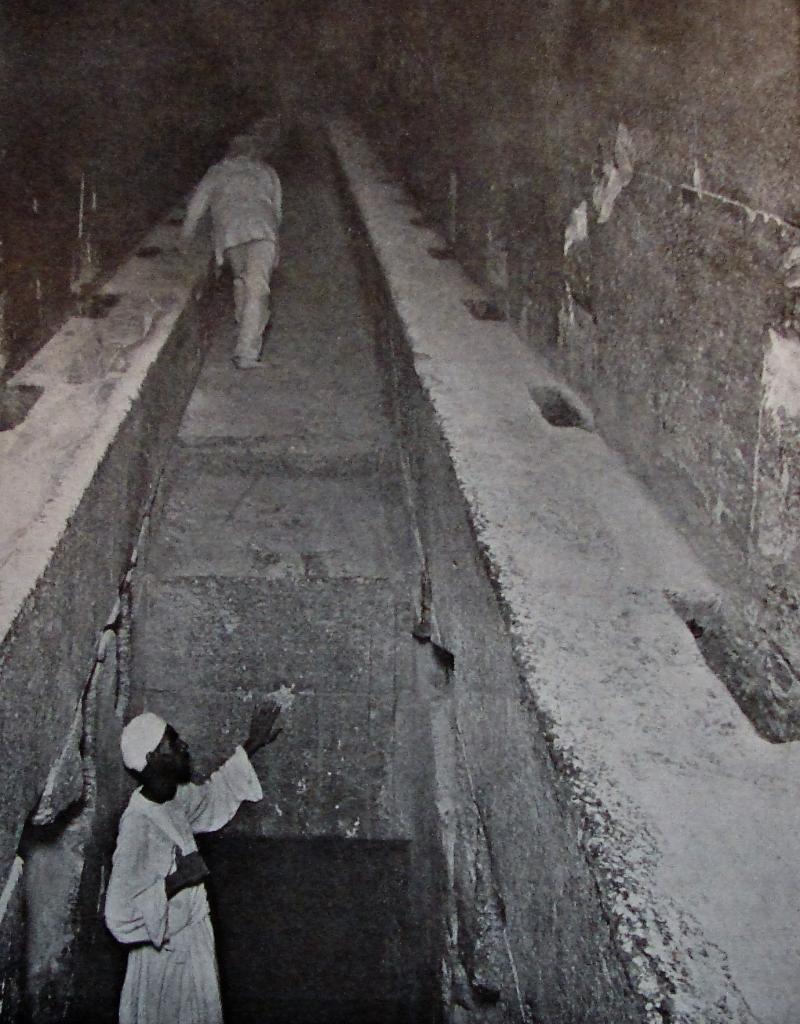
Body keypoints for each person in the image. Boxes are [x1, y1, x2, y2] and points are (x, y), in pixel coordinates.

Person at [104, 703, 282, 1024]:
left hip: (192, 943)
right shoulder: (137, 826)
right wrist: (177, 880)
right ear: (152, 760)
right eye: (172, 743)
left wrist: (253, 743)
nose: (183, 745)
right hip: (164, 961)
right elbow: (118, 917)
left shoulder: (173, 798)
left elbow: (213, 798)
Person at [181, 131, 283, 369]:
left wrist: (185, 237)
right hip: (262, 231)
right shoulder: (267, 171)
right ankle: (246, 352)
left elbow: (196, 207)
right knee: (257, 288)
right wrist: (277, 244)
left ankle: (244, 332)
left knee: (241, 280)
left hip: (231, 233)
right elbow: (277, 210)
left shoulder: (216, 172)